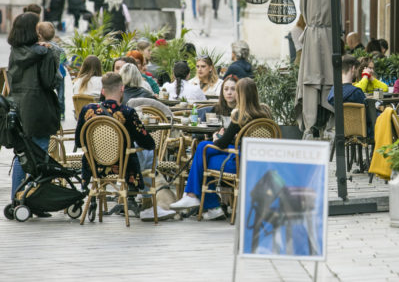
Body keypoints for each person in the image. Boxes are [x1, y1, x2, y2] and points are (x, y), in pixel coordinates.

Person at [170, 78, 272, 220]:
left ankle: (196, 197)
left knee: (204, 152)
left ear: (241, 94)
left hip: (237, 163)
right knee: (204, 152)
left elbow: (222, 144)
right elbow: (241, 139)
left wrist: (217, 137)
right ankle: (211, 207)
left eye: (236, 91)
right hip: (258, 162)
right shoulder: (265, 113)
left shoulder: (239, 114)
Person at [74, 73, 156, 200]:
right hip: (123, 167)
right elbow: (148, 143)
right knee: (147, 152)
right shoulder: (128, 113)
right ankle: (145, 201)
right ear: (122, 88)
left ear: (103, 90)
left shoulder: (87, 110)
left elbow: (79, 142)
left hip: (95, 166)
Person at [7, 13, 60, 208]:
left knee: (22, 155)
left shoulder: (15, 51)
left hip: (18, 108)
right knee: (38, 156)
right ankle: (33, 200)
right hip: (39, 110)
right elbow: (49, 82)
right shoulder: (43, 53)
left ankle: (17, 199)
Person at [36, 22, 66, 119]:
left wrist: (49, 45)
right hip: (53, 76)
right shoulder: (44, 45)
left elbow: (59, 51)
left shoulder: (51, 46)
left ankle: (60, 112)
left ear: (39, 34)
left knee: (59, 96)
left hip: (55, 76)